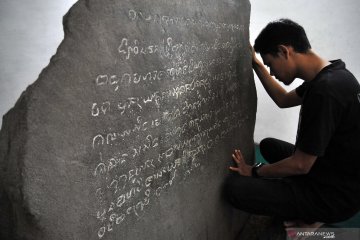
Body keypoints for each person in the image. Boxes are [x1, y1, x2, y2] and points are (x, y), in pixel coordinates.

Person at [224, 19, 360, 230]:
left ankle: (312, 218)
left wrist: (254, 171)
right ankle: (301, 204)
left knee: (235, 189)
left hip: (334, 194)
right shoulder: (334, 73)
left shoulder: (326, 91)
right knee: (269, 145)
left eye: (270, 64)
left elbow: (300, 165)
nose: (271, 72)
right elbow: (284, 100)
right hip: (330, 168)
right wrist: (257, 64)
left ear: (284, 51)